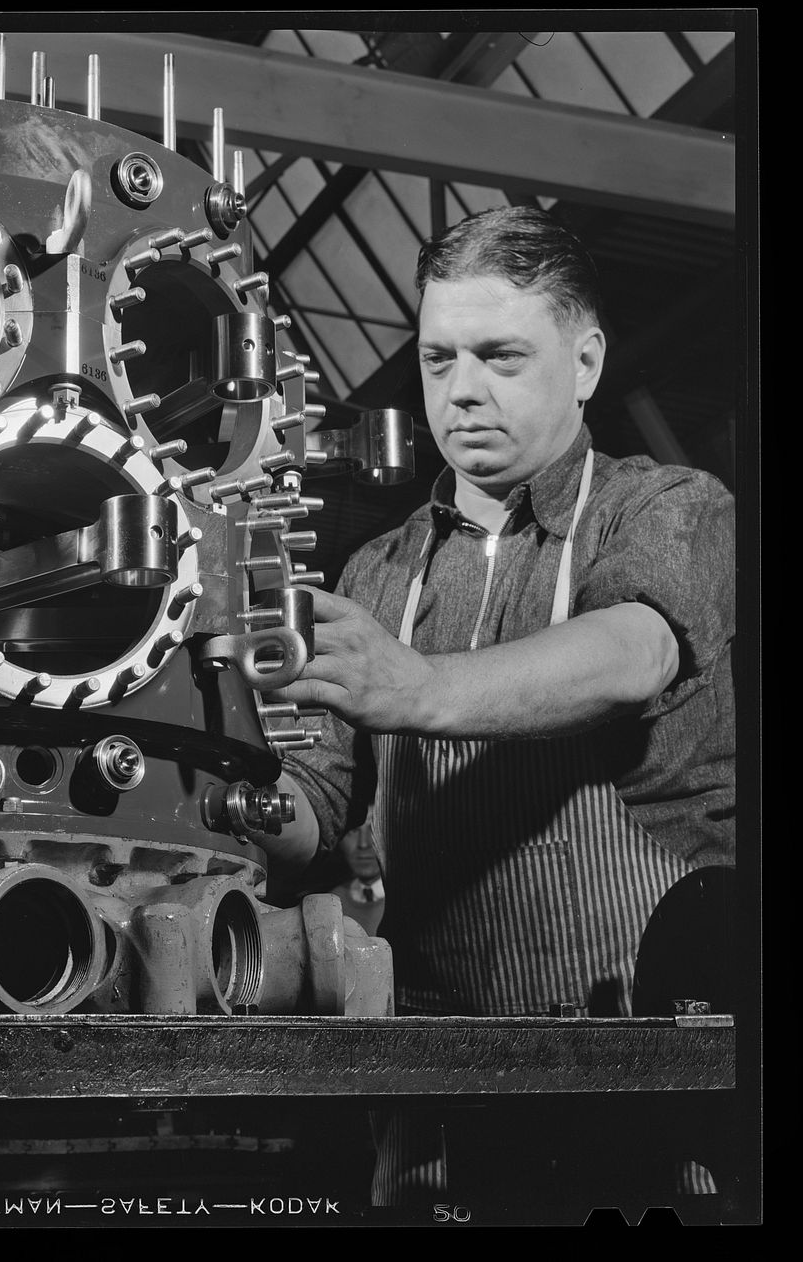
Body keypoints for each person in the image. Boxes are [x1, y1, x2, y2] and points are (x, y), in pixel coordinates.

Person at [267, 206, 736, 1209]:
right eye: (438, 360)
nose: (461, 391)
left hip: (644, 1071)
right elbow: (314, 795)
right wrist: (234, 799)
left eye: (500, 355)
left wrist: (418, 688)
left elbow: (631, 653)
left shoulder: (666, 509)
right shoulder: (377, 569)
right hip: (436, 1080)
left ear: (585, 361)